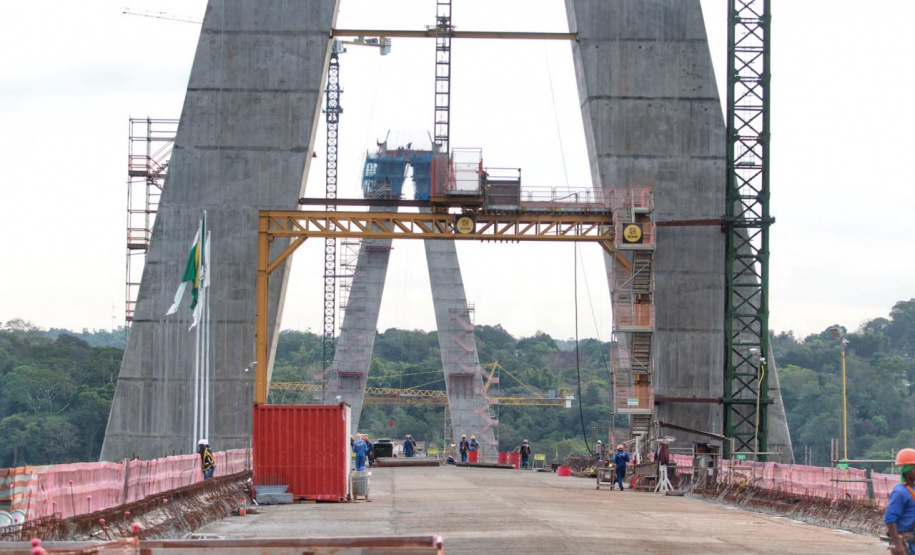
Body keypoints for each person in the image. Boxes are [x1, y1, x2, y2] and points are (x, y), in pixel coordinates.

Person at [886, 448, 915, 554]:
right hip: (906, 543)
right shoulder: (900, 492)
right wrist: (897, 544)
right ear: (906, 470)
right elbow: (890, 518)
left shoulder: (913, 489)